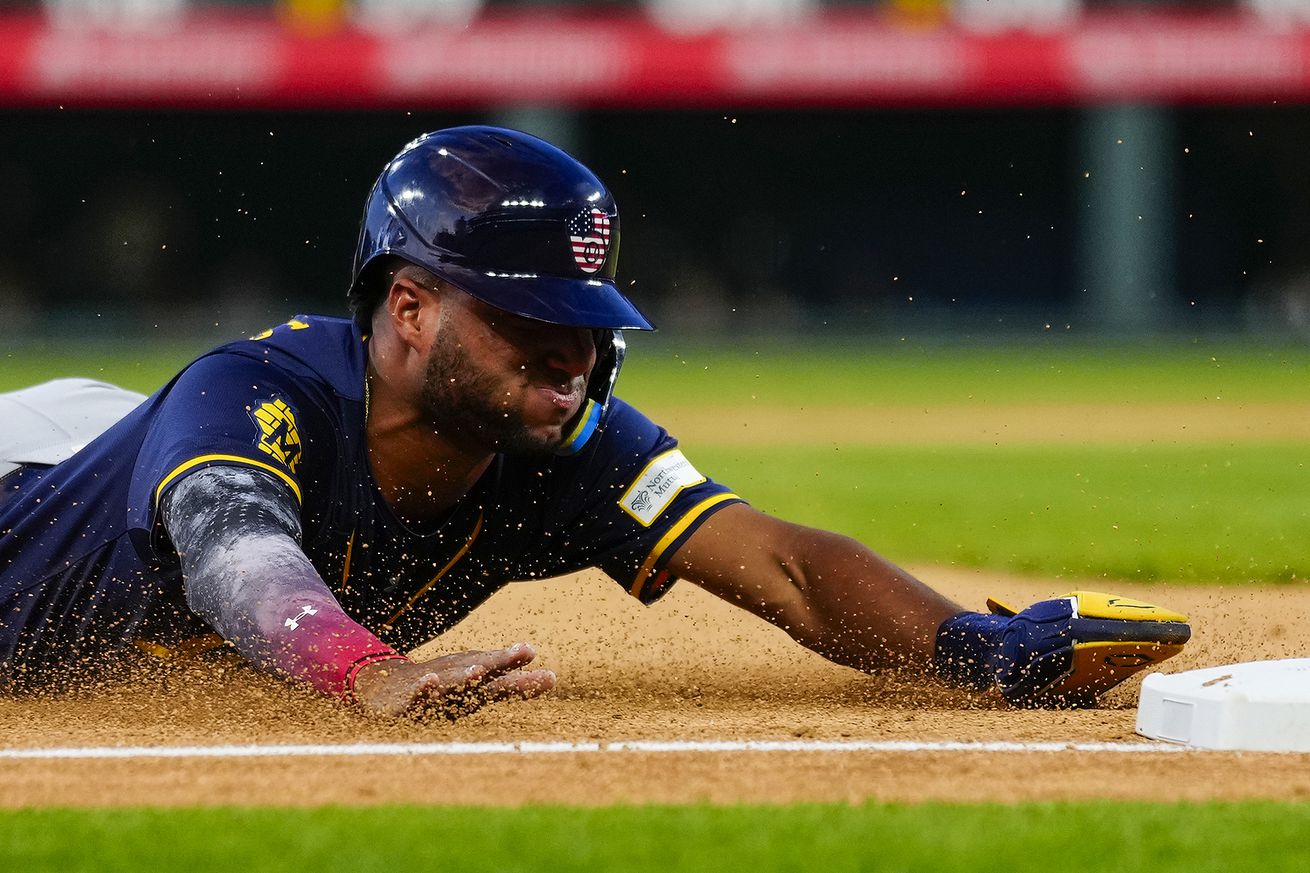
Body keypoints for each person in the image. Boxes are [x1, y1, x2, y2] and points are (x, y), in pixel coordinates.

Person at [0, 126, 1190, 716]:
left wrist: (972, 654)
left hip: (111, 445)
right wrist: (369, 675)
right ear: (406, 309)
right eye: (527, 314)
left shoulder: (556, 441)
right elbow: (236, 555)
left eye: (585, 319)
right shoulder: (255, 395)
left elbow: (778, 562)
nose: (570, 352)